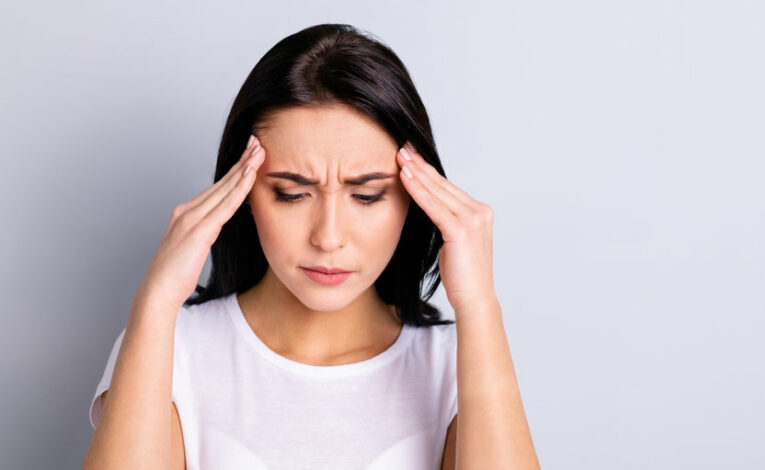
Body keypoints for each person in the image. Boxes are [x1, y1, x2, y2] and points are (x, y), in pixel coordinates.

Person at [82, 23, 540, 470]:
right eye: (292, 193)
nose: (328, 237)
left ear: (415, 198)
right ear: (241, 195)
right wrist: (156, 302)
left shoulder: (456, 363)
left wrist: (479, 306)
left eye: (367, 195)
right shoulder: (173, 347)